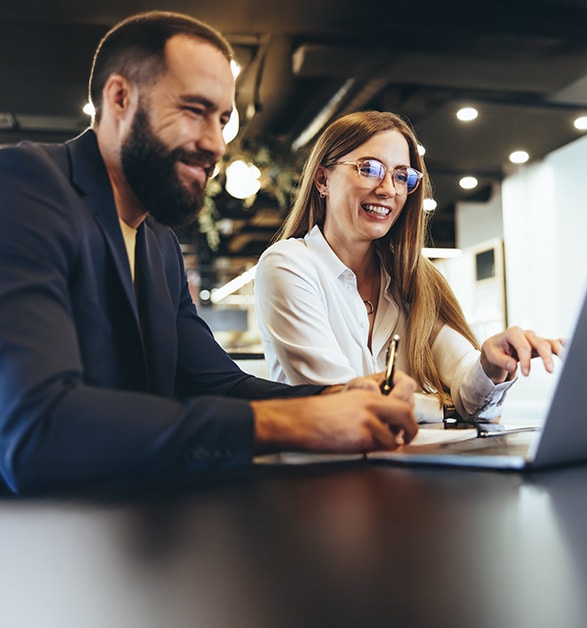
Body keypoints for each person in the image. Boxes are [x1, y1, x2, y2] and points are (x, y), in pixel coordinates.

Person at [0, 14, 417, 495]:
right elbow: (38, 429)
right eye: (195, 110)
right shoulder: (26, 187)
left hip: (136, 527)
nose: (216, 143)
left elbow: (217, 384)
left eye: (222, 120)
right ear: (120, 99)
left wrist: (338, 396)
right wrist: (288, 424)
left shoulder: (157, 240)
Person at [255, 110, 562, 423]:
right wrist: (445, 408)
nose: (388, 188)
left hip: (404, 465)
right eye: (370, 169)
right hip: (321, 468)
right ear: (323, 179)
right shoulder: (287, 265)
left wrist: (490, 365)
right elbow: (343, 400)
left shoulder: (411, 279)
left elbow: (465, 379)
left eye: (402, 176)